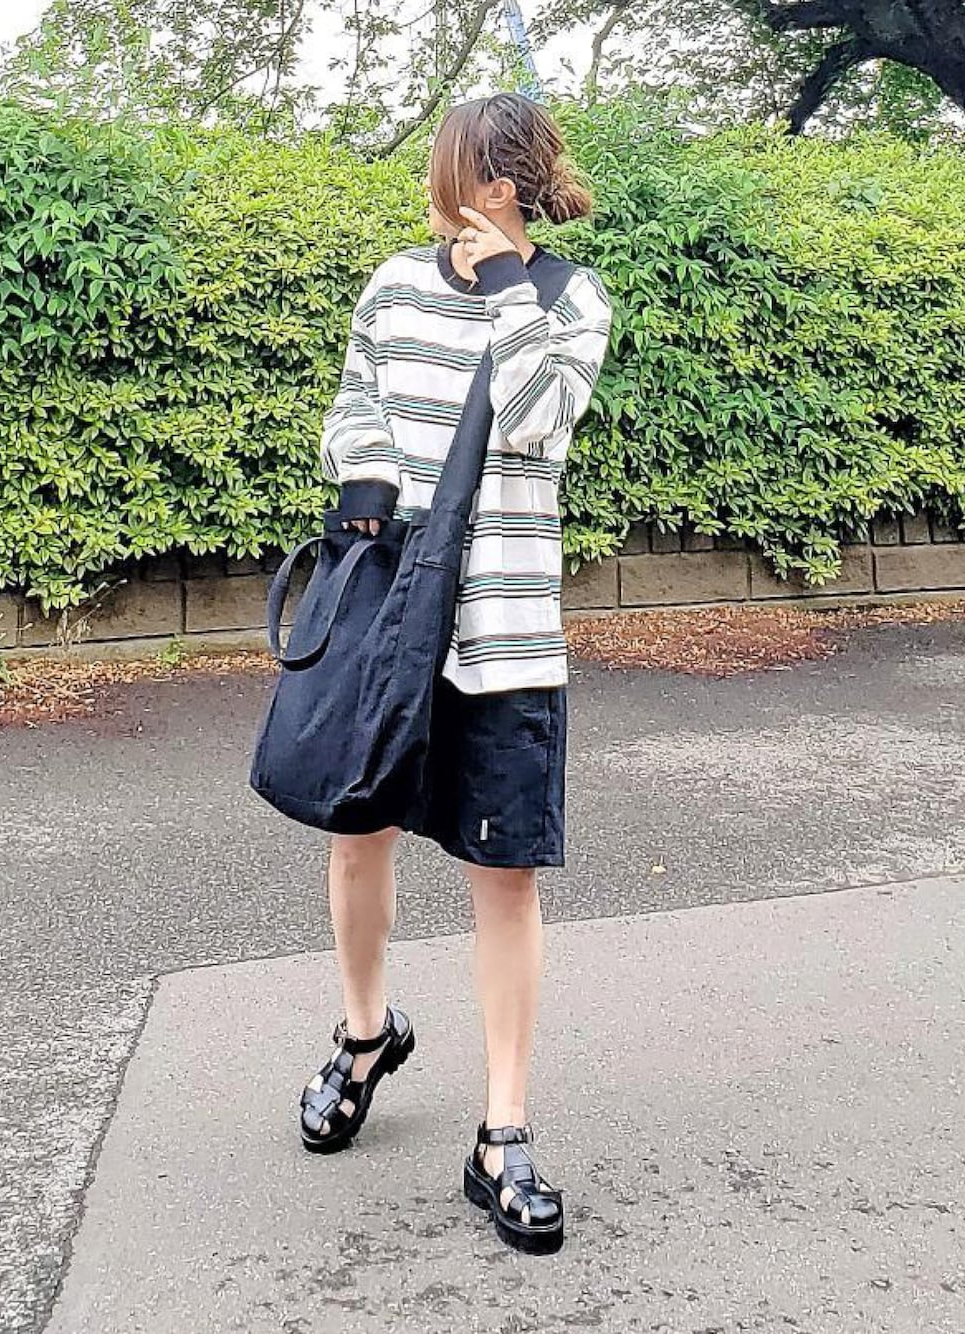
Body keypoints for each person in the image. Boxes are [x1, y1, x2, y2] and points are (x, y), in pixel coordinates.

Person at [299, 92, 612, 1255]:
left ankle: (503, 1130)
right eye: (450, 173)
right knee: (357, 834)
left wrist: (511, 290)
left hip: (507, 629)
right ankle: (365, 1033)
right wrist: (366, 480)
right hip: (390, 619)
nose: (450, 194)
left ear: (508, 185)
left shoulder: (569, 298)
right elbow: (355, 406)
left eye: (466, 175)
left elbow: (535, 419)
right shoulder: (392, 285)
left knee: (505, 874)